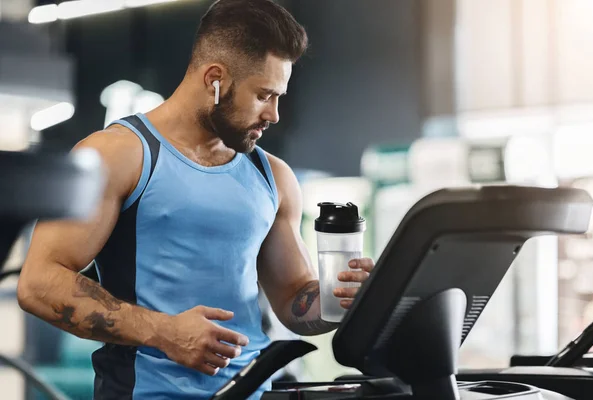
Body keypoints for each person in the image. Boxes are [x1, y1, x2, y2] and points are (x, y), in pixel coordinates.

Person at [17, 0, 375, 399]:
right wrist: (164, 332)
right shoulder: (119, 155)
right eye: (263, 95)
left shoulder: (272, 175)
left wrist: (338, 297)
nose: (273, 115)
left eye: (279, 97)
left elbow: (294, 301)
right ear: (215, 79)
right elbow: (39, 283)